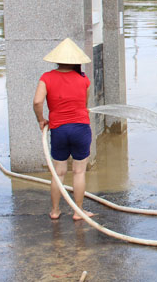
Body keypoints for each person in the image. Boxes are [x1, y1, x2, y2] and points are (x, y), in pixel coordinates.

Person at [32, 38, 95, 221]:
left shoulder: (47, 77)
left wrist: (41, 120)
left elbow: (37, 101)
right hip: (81, 129)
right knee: (79, 171)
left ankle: (55, 211)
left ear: (57, 60)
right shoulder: (84, 80)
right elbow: (84, 103)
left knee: (58, 172)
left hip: (58, 129)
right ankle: (78, 211)